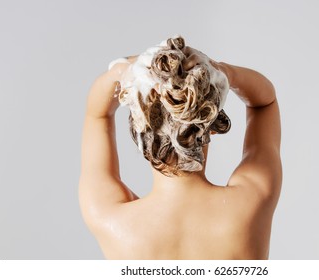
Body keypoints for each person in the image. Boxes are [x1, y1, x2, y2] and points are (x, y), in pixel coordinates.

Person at [79, 38, 282, 260]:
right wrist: (223, 71)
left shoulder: (109, 217)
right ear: (210, 126)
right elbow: (265, 103)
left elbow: (97, 114)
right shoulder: (251, 200)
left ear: (139, 130)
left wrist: (123, 70)